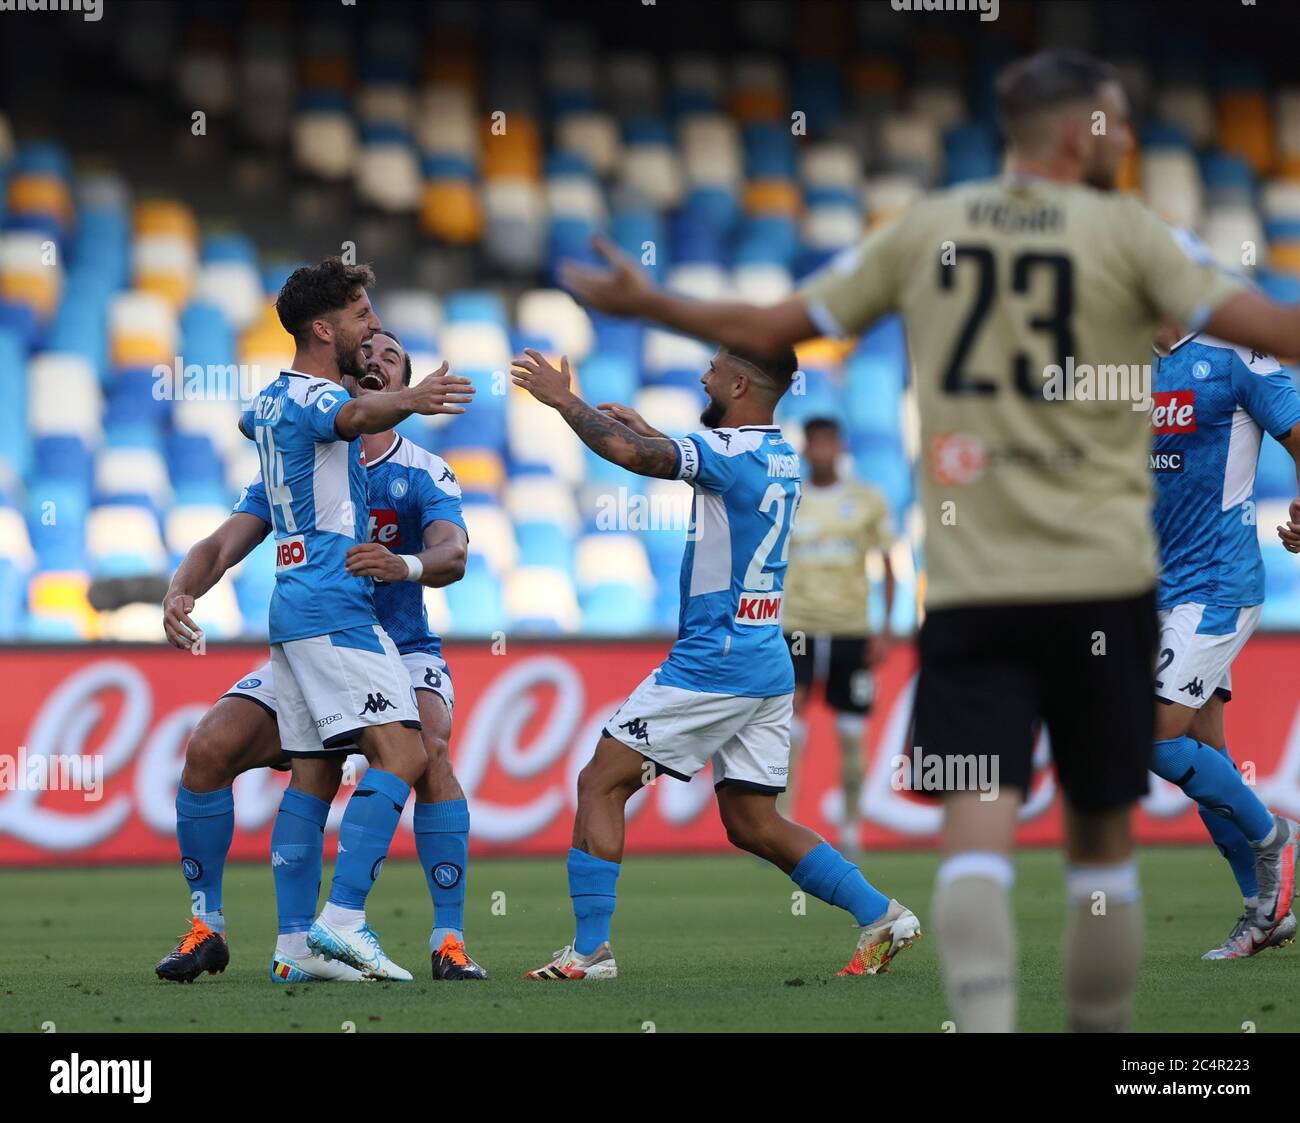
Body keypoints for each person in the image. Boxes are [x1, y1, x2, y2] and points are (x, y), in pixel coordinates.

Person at [557, 50, 1300, 1030]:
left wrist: (648, 303)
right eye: (1115, 126)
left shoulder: (931, 230)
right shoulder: (1127, 236)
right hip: (1103, 582)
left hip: (979, 584)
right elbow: (1270, 327)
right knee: (1098, 848)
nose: (1121, 144)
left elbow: (774, 322)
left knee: (976, 835)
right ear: (1081, 134)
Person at [510, 347, 919, 981]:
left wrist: (564, 402)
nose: (701, 377)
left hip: (713, 662)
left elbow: (635, 460)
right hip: (766, 662)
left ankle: (590, 952)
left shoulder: (730, 455)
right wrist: (645, 429)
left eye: (713, 368)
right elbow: (693, 460)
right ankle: (882, 915)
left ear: (737, 382)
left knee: (600, 782)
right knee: (753, 821)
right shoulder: (780, 454)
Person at [155, 329, 484, 983]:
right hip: (313, 643)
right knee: (209, 746)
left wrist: (403, 563)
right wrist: (181, 588)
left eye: (393, 356)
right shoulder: (303, 454)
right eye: (370, 349)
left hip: (399, 647)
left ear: (403, 385)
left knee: (429, 749)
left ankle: (447, 939)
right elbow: (222, 544)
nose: (376, 358)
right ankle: (216, 927)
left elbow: (454, 555)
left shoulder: (421, 470)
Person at [1149, 318, 1300, 960]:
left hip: (1216, 585)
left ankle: (1276, 840)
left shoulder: (1234, 355)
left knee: (1149, 733)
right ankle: (1264, 911)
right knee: (1203, 754)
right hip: (1154, 591)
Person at [781, 416, 896, 860]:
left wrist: (884, 628)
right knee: (789, 726)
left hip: (850, 628)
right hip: (798, 627)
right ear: (807, 449)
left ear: (839, 447)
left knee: (852, 733)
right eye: (815, 443)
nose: (823, 451)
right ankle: (784, 826)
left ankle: (851, 826)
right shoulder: (790, 497)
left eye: (830, 443)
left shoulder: (867, 500)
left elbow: (888, 563)